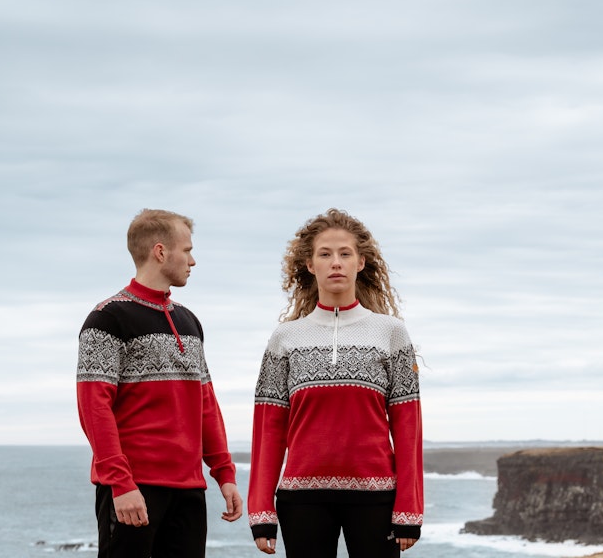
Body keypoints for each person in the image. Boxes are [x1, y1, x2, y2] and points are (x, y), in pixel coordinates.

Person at [248, 208, 423, 557]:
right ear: (310, 265)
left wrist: (410, 509)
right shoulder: (285, 338)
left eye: (345, 254)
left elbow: (408, 427)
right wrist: (261, 510)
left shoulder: (391, 333)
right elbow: (268, 428)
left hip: (376, 499)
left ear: (361, 262)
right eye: (325, 254)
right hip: (302, 500)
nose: (336, 263)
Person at [76, 208, 243, 558]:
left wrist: (224, 473)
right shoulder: (107, 318)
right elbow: (94, 407)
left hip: (188, 490)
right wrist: (121, 484)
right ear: (160, 251)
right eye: (187, 250)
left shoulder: (189, 321)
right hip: (134, 488)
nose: (193, 261)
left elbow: (206, 404)